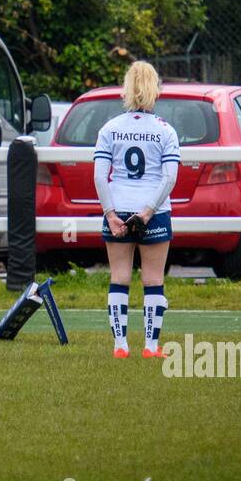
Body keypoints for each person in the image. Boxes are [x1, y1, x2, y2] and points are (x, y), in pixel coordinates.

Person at [94, 60, 179, 359]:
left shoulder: (110, 128)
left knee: (119, 277)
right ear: (155, 89)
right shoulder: (166, 130)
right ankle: (151, 347)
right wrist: (147, 212)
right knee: (153, 280)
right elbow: (169, 177)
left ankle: (120, 346)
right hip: (153, 211)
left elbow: (99, 175)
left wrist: (110, 213)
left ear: (126, 89)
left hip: (117, 208)